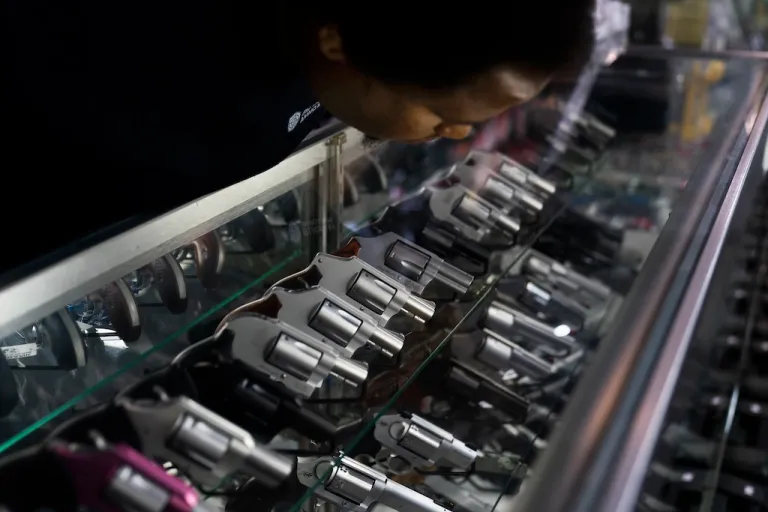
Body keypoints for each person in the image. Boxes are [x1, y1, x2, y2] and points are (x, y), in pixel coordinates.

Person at [1, 2, 595, 276]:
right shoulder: (133, 59)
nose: (457, 134)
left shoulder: (315, 55)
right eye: (438, 113)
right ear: (340, 45)